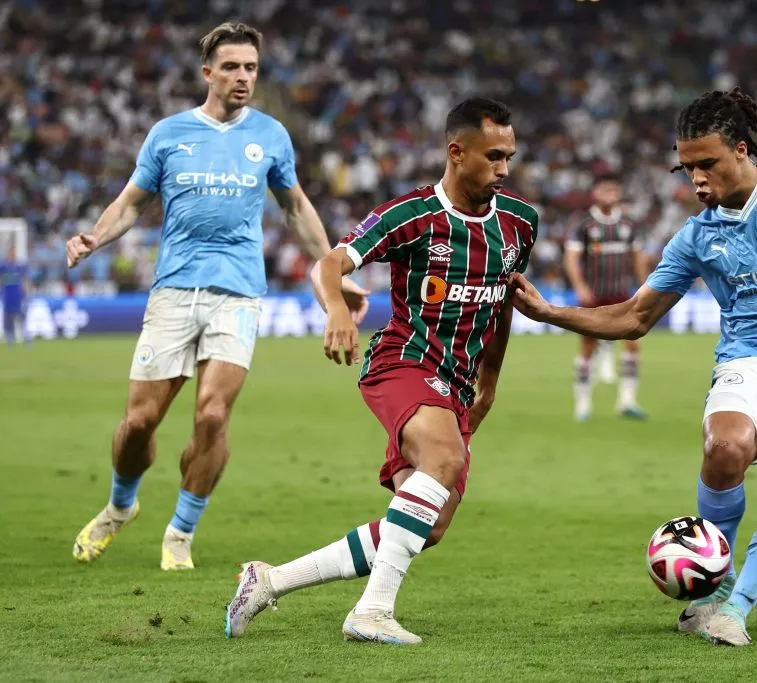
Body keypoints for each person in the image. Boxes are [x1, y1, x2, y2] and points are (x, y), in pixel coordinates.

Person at [510, 88, 757, 646]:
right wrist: (549, 311)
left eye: (708, 164)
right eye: (687, 168)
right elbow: (633, 317)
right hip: (747, 361)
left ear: (742, 151)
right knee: (725, 447)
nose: (696, 179)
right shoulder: (696, 237)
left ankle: (736, 610)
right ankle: (711, 590)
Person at [224, 97, 538, 645]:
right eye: (493, 157)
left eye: (509, 156)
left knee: (427, 524)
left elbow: (503, 303)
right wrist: (339, 311)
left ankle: (269, 580)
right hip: (403, 363)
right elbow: (331, 263)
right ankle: (371, 613)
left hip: (459, 384)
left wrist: (490, 380)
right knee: (444, 459)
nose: (504, 169)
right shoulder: (413, 215)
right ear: (456, 152)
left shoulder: (520, 223)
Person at [66, 22, 368, 571]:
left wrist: (336, 270)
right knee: (138, 425)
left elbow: (296, 208)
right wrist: (95, 236)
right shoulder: (169, 133)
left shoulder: (271, 136)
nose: (243, 77)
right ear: (208, 73)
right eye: (231, 67)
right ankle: (120, 505)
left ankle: (181, 532)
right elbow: (132, 203)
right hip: (175, 290)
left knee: (211, 416)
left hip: (239, 294)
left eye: (251, 68)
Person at [563, 173, 648, 421]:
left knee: (633, 344)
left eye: (614, 190)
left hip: (622, 295)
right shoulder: (584, 225)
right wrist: (579, 286)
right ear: (595, 193)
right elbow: (571, 258)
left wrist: (644, 286)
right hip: (594, 296)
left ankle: (627, 401)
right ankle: (583, 404)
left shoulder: (629, 225)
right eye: (605, 190)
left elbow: (637, 257)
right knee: (588, 346)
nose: (610, 194)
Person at [1, 246, 29, 346]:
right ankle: (10, 338)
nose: (12, 254)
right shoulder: (3, 266)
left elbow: (24, 280)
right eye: (10, 252)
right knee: (8, 318)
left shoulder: (19, 266)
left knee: (21, 316)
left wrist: (25, 293)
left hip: (18, 295)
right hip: (7, 295)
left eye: (13, 252)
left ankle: (25, 337)